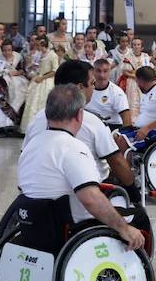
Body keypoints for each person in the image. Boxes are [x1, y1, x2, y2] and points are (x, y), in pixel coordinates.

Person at [14, 85, 145, 252]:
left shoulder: (31, 146)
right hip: (71, 227)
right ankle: (140, 274)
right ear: (79, 115)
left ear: (47, 113)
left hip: (33, 224)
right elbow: (91, 199)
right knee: (139, 218)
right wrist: (124, 229)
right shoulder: (73, 148)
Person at [23, 60, 135, 196]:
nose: (94, 88)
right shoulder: (93, 122)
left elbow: (26, 156)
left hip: (38, 193)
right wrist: (132, 190)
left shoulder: (36, 119)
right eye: (92, 83)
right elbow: (117, 163)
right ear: (80, 87)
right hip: (86, 194)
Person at [119, 66, 156, 149]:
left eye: (137, 81)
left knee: (122, 141)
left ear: (140, 81)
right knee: (116, 136)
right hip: (146, 130)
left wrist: (147, 128)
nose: (137, 85)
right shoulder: (148, 92)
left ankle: (127, 161)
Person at [85, 58, 132, 129]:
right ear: (93, 72)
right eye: (98, 71)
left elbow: (127, 121)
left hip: (110, 126)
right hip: (88, 126)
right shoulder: (85, 89)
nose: (102, 75)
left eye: (105, 71)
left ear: (109, 71)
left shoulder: (117, 92)